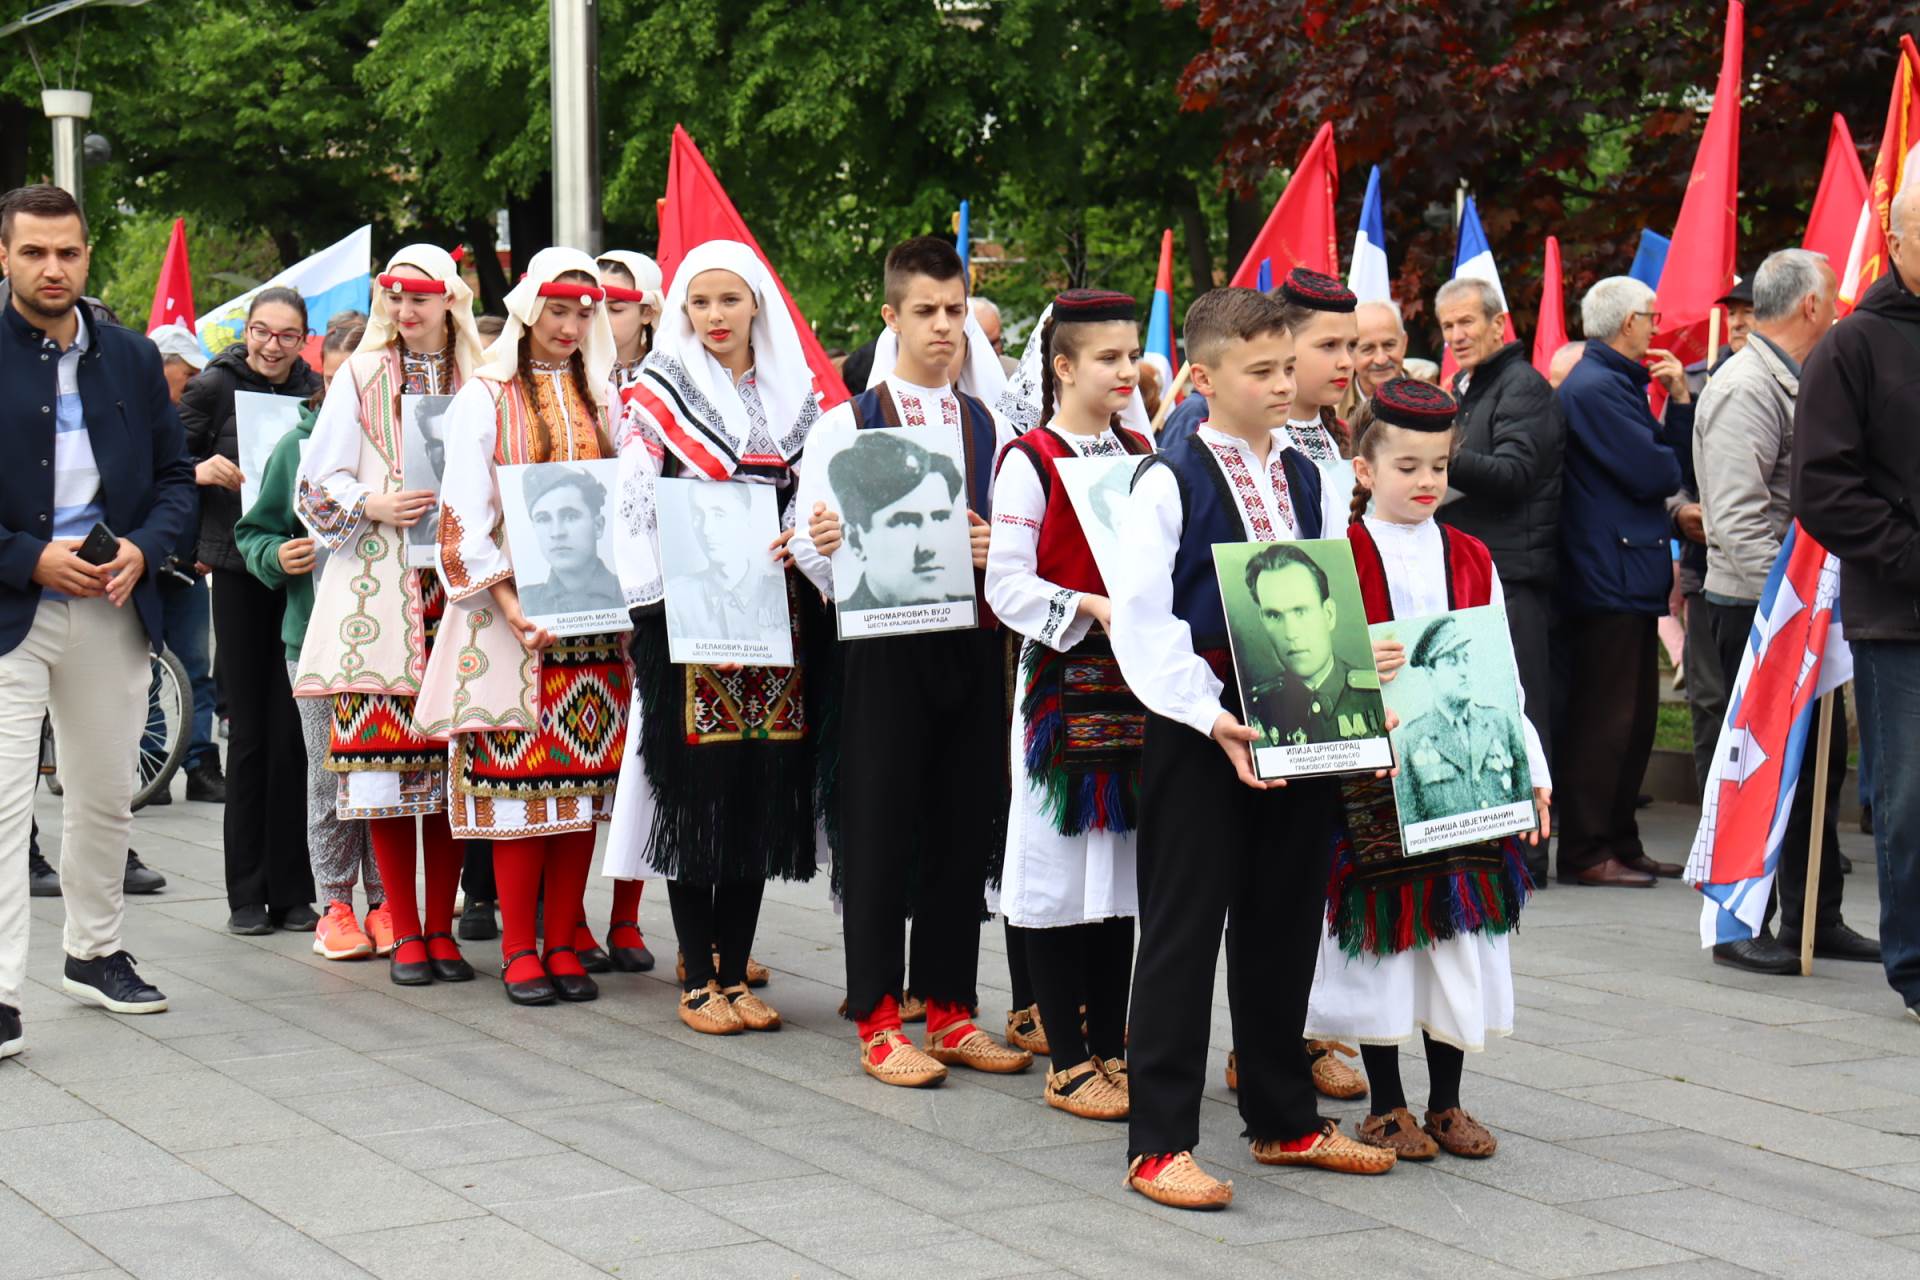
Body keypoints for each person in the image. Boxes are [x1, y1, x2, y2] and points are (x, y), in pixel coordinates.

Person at [1109, 286, 1386, 1212]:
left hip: (1294, 714)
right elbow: (1144, 621)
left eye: (1285, 365)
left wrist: (1355, 705)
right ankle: (1160, 1143)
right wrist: (1201, 710)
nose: (1281, 383)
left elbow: (1320, 595)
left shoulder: (1308, 472)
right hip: (1201, 726)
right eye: (1260, 370)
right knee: (1185, 929)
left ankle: (1283, 1117)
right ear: (1201, 374)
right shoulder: (1168, 475)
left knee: (1282, 917)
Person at [795, 235, 1033, 1087]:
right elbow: (807, 544)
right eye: (926, 311)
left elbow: (1018, 546)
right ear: (890, 315)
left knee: (962, 824)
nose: (944, 327)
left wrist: (991, 544)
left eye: (956, 311)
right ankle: (876, 1014)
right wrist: (824, 540)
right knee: (880, 827)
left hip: (970, 645)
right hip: (883, 655)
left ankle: (951, 1007)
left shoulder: (991, 423)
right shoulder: (846, 424)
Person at [1307, 377, 1551, 1161]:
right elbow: (1304, 671)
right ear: (1364, 469)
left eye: (1439, 466)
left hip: (1468, 778)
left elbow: (1503, 675)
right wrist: (1355, 665)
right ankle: (1386, 1104)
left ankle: (1447, 1102)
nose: (1426, 482)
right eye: (1407, 465)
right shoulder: (1336, 557)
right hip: (1371, 781)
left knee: (1457, 931)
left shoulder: (1474, 557)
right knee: (1386, 936)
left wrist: (1531, 767)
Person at [605, 238, 824, 1033]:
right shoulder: (660, 387)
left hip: (777, 612)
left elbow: (812, 493)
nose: (716, 316)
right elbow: (633, 498)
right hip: (690, 619)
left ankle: (739, 971)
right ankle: (699, 976)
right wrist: (652, 601)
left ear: (757, 302)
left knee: (758, 787)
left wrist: (800, 535)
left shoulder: (796, 395)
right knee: (697, 789)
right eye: (700, 302)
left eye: (729, 300)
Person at [0, 183, 196, 1057]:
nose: (52, 268)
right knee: (4, 811)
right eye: (34, 251)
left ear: (87, 256)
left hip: (114, 605)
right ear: (3, 255)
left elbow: (176, 481)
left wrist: (145, 550)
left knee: (106, 797)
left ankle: (94, 952)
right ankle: (1, 995)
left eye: (67, 252)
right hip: (12, 607)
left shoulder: (131, 356)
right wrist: (24, 557)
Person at [414, 248, 629, 1007]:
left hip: (597, 627)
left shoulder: (607, 399)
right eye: (559, 310)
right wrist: (509, 605)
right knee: (521, 789)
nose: (570, 326)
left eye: (584, 313)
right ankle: (517, 950)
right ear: (531, 308)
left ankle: (566, 939)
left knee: (580, 787)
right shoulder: (485, 395)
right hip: (514, 623)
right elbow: (462, 515)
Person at [293, 248, 488, 983]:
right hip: (383, 591)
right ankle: (403, 931)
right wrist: (371, 503)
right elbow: (315, 484)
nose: (406, 312)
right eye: (396, 298)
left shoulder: (479, 376)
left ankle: (442, 929)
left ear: (448, 301)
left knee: (447, 771)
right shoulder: (362, 375)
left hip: (461, 591)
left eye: (420, 299)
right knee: (382, 766)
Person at [986, 288, 1155, 1122]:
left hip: (1133, 687)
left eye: (1131, 356)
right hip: (1059, 687)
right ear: (1063, 366)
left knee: (1118, 872)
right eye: (1109, 358)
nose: (1127, 371)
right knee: (1057, 870)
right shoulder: (1030, 458)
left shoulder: (1141, 451)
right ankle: (1067, 1056)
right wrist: (1090, 608)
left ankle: (1114, 1049)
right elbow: (1006, 583)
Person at [1696, 249, 1877, 974]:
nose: (1838, 307)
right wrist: (1794, 608)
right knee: (1761, 767)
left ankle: (1814, 912)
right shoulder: (1747, 386)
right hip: (1761, 613)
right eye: (1832, 296)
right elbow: (1738, 520)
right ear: (1809, 306)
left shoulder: (1795, 379)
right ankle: (1740, 921)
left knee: (1818, 768)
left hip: (1804, 615)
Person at [1794, 179, 1920, 1023]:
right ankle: (1915, 966)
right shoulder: (1853, 347)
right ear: (1899, 240)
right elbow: (1823, 490)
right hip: (1901, 617)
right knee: (1910, 801)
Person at [237, 319, 386, 961]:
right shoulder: (296, 450)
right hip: (314, 638)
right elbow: (254, 532)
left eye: (370, 370)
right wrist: (279, 555)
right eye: (346, 370)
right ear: (325, 370)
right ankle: (335, 907)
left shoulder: (398, 447)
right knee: (330, 777)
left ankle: (387, 905)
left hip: (391, 639)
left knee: (387, 777)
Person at [179, 285, 320, 934]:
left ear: (302, 339)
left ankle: (295, 891)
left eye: (287, 335)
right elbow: (166, 463)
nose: (273, 345)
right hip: (235, 571)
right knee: (251, 736)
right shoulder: (212, 386)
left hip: (300, 575)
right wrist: (201, 468)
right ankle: (245, 893)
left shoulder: (317, 391)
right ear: (247, 330)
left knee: (294, 732)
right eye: (263, 331)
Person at [1553, 277, 1691, 887]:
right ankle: (1587, 849)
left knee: (1634, 719)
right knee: (1604, 719)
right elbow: (1655, 470)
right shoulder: (1596, 387)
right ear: (1626, 322)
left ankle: (1619, 839)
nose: (1656, 325)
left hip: (1625, 567)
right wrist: (1676, 415)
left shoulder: (1612, 382)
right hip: (1606, 570)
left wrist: (1676, 400)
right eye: (1651, 315)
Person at [1433, 274, 1564, 873]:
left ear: (1497, 323)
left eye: (1466, 322)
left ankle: (1530, 855)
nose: (1457, 335)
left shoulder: (1522, 386)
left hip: (1515, 576)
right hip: (1479, 572)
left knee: (1518, 714)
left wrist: (1436, 455)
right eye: (1447, 327)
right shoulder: (1470, 385)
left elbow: (1515, 474)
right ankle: (1492, 839)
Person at [1240, 542, 1383, 749]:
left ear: (1329, 614)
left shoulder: (1376, 694)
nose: (1290, 633)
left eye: (1301, 611)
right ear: (1263, 620)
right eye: (1274, 615)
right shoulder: (1256, 709)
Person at [1394, 617, 1532, 825]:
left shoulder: (1499, 723)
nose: (1463, 671)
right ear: (1431, 673)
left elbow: (1525, 801)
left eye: (1466, 659)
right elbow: (1409, 823)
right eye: (1451, 661)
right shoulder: (1410, 740)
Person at [661, 482, 787, 641]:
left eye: (719, 514)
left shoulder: (779, 593)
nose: (706, 530)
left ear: (746, 517)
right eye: (698, 515)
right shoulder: (678, 599)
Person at [514, 464, 624, 617]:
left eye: (570, 516)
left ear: (598, 526)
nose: (557, 532)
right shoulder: (525, 604)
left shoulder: (631, 593)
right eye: (543, 519)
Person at [598, 250, 663, 379]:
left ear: (648, 312)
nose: (600, 319)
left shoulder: (666, 373)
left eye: (616, 309)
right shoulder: (567, 370)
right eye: (593, 308)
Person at [1351, 299, 1406, 402]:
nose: (1381, 360)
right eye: (1368, 349)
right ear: (1350, 352)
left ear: (1404, 343)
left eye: (1389, 345)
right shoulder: (1326, 411)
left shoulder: (1433, 406)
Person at [972, 295, 1019, 376]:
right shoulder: (948, 379)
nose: (993, 352)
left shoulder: (1017, 374)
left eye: (996, 343)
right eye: (985, 345)